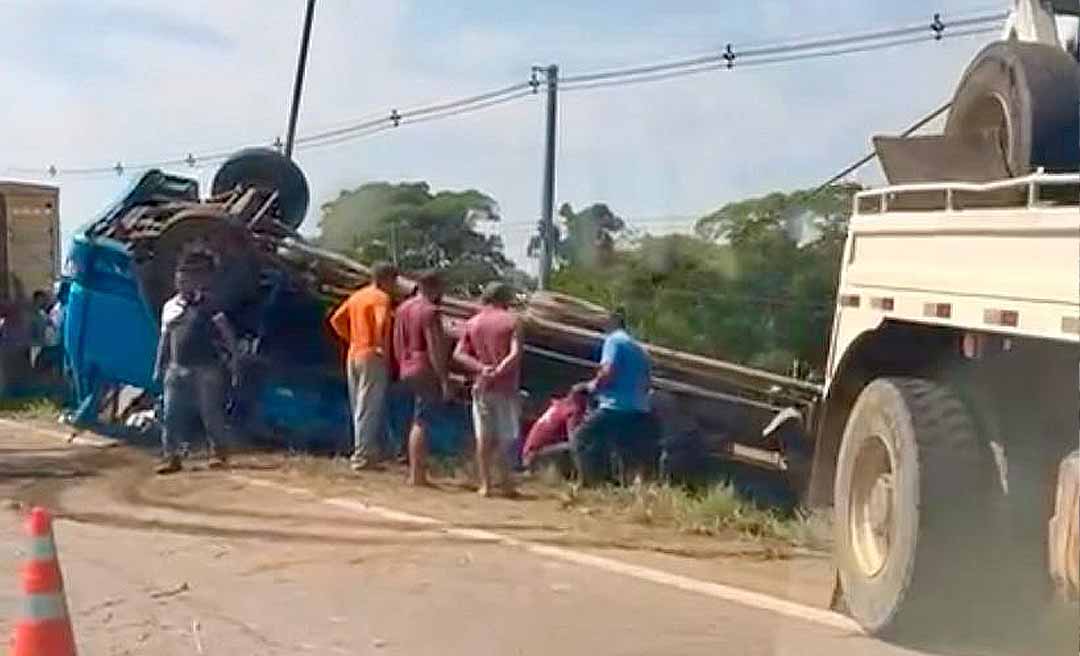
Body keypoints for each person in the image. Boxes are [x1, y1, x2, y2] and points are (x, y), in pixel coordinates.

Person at [153, 253, 239, 475]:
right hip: (176, 367)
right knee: (171, 414)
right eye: (179, 280)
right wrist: (158, 367)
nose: (182, 284)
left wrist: (235, 360)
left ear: (195, 281)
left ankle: (219, 453)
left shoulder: (210, 304)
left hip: (206, 368)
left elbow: (226, 333)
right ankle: (171, 457)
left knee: (210, 412)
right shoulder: (170, 307)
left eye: (186, 280)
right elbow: (164, 340)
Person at [572, 309, 660, 486]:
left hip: (615, 406)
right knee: (623, 448)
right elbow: (648, 380)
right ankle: (623, 484)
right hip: (638, 408)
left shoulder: (613, 341)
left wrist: (592, 386)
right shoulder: (638, 348)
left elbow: (607, 371)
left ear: (609, 324)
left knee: (582, 438)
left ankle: (589, 483)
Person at [454, 281, 523, 497]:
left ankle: (485, 485)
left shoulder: (473, 323)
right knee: (507, 436)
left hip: (482, 385)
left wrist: (482, 368)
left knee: (483, 436)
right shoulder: (513, 321)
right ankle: (506, 482)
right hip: (505, 386)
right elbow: (515, 352)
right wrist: (501, 369)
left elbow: (459, 354)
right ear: (505, 300)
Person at [329, 262, 399, 471]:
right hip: (372, 356)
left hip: (354, 353)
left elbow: (336, 320)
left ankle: (365, 451)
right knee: (369, 406)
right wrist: (379, 344)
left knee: (358, 405)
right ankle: (363, 456)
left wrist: (351, 338)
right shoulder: (381, 298)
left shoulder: (357, 296)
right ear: (386, 279)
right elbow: (380, 321)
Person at [393, 270, 451, 487]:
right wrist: (444, 378)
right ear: (434, 287)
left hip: (405, 366)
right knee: (422, 422)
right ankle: (417, 475)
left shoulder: (402, 309)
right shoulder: (430, 311)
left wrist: (401, 364)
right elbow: (435, 347)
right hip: (424, 367)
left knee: (412, 418)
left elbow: (397, 341)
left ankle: (412, 469)